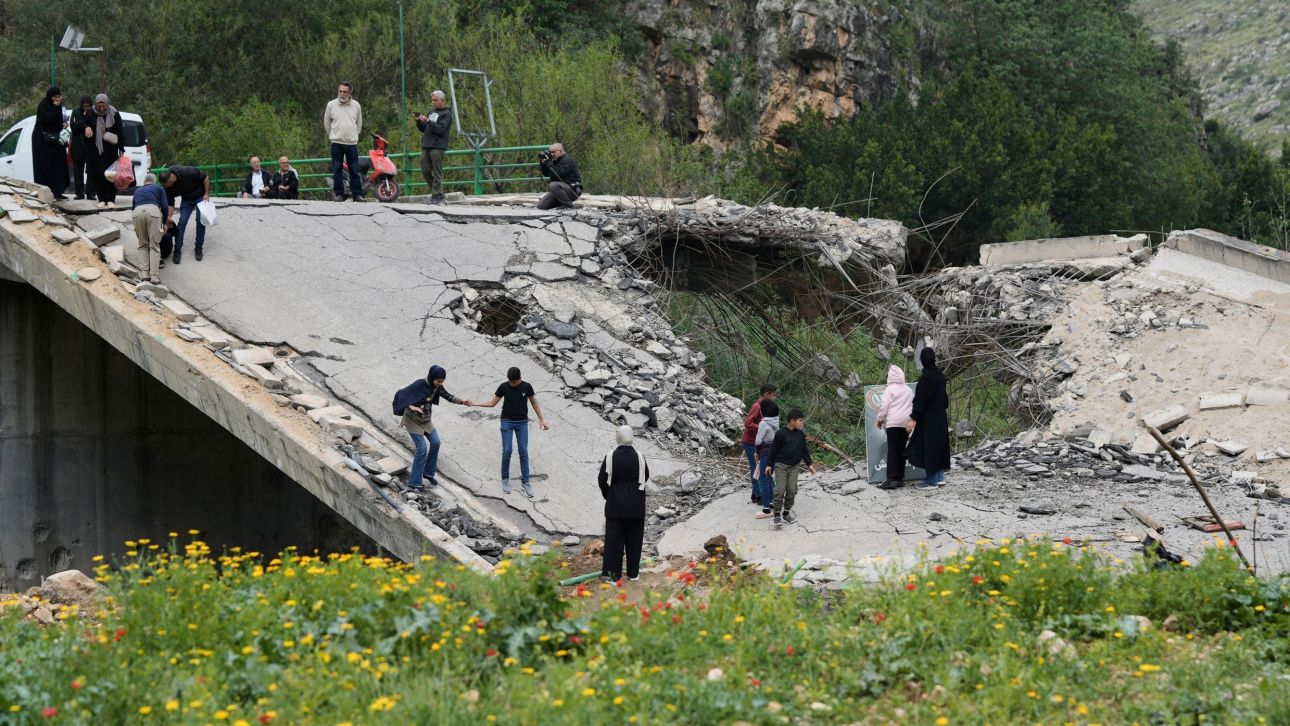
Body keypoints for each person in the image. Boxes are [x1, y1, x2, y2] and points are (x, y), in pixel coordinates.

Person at [469, 367, 549, 498]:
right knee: (507, 450)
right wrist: (474, 404)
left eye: (515, 382)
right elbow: (492, 403)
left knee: (523, 451)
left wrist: (542, 419)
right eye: (511, 382)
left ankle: (525, 482)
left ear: (519, 379)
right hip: (506, 421)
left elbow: (534, 402)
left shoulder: (527, 387)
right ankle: (505, 479)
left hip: (522, 422)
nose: (512, 384)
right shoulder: (503, 387)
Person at [391, 365, 473, 491]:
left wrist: (463, 402)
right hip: (412, 421)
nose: (440, 383)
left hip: (425, 420)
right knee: (422, 449)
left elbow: (448, 396)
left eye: (442, 381)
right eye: (438, 381)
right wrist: (411, 406)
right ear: (432, 377)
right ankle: (414, 483)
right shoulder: (419, 385)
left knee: (436, 442)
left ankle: (428, 473)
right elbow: (402, 395)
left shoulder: (437, 387)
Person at [598, 425, 650, 582]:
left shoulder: (611, 456)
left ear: (618, 437)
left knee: (614, 542)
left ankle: (614, 577)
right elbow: (645, 476)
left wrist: (609, 495)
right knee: (635, 540)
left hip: (616, 505)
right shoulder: (640, 456)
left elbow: (602, 480)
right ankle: (633, 574)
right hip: (636, 505)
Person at [906, 347, 952, 489]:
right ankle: (939, 477)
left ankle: (931, 481)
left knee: (928, 447)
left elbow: (921, 400)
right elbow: (945, 400)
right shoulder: (940, 375)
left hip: (929, 419)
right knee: (939, 446)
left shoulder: (927, 377)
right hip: (941, 418)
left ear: (923, 360)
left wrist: (913, 418)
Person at [765, 409, 817, 528]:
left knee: (792, 490)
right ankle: (777, 514)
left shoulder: (800, 434)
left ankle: (786, 512)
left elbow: (804, 451)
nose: (802, 423)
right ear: (792, 421)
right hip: (781, 466)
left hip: (794, 467)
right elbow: (773, 450)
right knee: (780, 490)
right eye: (800, 420)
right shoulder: (780, 433)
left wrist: (810, 465)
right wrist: (769, 464)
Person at [159, 165, 211, 264]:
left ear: (170, 180)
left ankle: (198, 248)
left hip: (200, 196)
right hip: (187, 199)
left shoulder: (188, 172)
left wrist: (207, 194)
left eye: (167, 185)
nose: (166, 188)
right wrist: (169, 217)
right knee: (182, 222)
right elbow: (170, 202)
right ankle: (177, 250)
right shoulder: (167, 187)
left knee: (200, 221)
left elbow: (205, 177)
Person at [876, 365, 915, 490]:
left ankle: (891, 479)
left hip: (893, 422)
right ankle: (900, 478)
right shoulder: (909, 390)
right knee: (902, 449)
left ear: (890, 377)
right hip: (905, 423)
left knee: (892, 449)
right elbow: (913, 406)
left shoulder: (889, 389)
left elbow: (884, 405)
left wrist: (880, 419)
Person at [323, 81, 364, 202]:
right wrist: (332, 135)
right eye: (340, 91)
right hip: (337, 143)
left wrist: (354, 135)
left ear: (350, 92)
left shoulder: (356, 105)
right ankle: (339, 194)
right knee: (337, 170)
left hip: (351, 143)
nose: (342, 94)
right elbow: (326, 122)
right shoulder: (331, 105)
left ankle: (357, 194)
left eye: (345, 91)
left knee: (354, 170)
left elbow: (359, 123)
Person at [740, 383, 778, 504]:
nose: (775, 398)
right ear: (766, 394)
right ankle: (758, 494)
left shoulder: (766, 406)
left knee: (758, 467)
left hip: (759, 443)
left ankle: (755, 494)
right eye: (774, 395)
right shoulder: (757, 406)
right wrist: (763, 428)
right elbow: (748, 423)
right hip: (750, 443)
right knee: (756, 468)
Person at [84, 94, 123, 208]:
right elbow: (83, 124)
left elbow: (120, 131)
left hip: (110, 149)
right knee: (97, 175)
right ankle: (101, 198)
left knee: (110, 174)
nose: (101, 109)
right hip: (95, 150)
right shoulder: (90, 112)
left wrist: (121, 148)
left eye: (103, 106)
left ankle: (111, 199)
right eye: (99, 106)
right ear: (96, 105)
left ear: (107, 104)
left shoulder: (114, 113)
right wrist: (87, 127)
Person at [130, 173, 169, 285]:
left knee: (142, 244)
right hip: (153, 211)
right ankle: (154, 277)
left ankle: (144, 275)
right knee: (154, 245)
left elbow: (133, 207)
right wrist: (164, 222)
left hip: (137, 213)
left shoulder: (137, 191)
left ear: (144, 182)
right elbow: (165, 206)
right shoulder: (159, 188)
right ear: (154, 181)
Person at [32, 87, 70, 200]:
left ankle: (58, 192)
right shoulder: (43, 105)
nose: (57, 99)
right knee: (45, 166)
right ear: (50, 97)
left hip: (55, 139)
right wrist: (55, 106)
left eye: (59, 97)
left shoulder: (60, 107)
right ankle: (45, 193)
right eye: (55, 97)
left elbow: (58, 120)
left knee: (59, 164)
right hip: (42, 140)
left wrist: (64, 124)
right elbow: (48, 120)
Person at [415, 90, 452, 203]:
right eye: (432, 100)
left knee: (437, 171)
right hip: (427, 145)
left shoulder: (446, 114)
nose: (433, 102)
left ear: (442, 100)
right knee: (425, 170)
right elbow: (424, 129)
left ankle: (436, 195)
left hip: (438, 146)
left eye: (435, 100)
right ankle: (437, 193)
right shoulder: (431, 112)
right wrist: (419, 122)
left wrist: (429, 122)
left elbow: (441, 129)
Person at [753, 400, 779, 518]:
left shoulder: (763, 423)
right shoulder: (776, 422)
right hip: (774, 453)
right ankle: (771, 503)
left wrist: (757, 452)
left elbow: (758, 440)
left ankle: (766, 510)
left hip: (765, 453)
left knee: (763, 479)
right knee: (768, 477)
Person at [535, 143, 581, 210]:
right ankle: (562, 204)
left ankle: (568, 205)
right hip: (560, 191)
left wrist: (549, 163)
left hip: (572, 191)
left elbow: (560, 174)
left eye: (553, 152)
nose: (552, 154)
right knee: (541, 206)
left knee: (553, 185)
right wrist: (543, 163)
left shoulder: (567, 160)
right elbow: (546, 174)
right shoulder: (555, 161)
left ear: (560, 151)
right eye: (550, 152)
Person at [69, 95, 93, 199]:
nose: (86, 109)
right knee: (78, 171)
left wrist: (83, 125)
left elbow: (94, 125)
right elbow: (73, 126)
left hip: (90, 146)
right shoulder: (75, 112)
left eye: (88, 106)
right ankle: (79, 193)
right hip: (78, 146)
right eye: (84, 106)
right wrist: (85, 126)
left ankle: (91, 193)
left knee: (91, 170)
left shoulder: (93, 113)